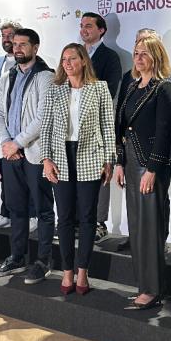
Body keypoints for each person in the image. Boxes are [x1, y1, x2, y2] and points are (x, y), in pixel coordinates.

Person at [40, 43, 116, 295]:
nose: (67, 63)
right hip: (61, 158)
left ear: (83, 61)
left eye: (72, 58)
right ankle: (67, 271)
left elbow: (108, 126)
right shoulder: (54, 90)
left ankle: (83, 271)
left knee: (87, 219)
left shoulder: (100, 88)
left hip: (90, 158)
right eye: (64, 59)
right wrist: (46, 160)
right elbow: (46, 128)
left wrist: (109, 159)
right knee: (64, 218)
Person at [0, 28, 56, 284]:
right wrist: (6, 142)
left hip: (35, 154)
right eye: (14, 44)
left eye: (23, 44)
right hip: (10, 154)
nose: (17, 48)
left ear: (35, 47)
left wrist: (16, 143)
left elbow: (42, 118)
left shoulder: (46, 77)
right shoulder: (7, 75)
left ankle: (43, 261)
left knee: (43, 210)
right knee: (16, 209)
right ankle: (17, 257)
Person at [114, 35, 171, 309]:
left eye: (144, 54)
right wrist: (118, 163)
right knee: (137, 228)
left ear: (156, 57)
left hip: (150, 166)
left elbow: (165, 132)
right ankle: (143, 285)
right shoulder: (130, 87)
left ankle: (152, 290)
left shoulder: (163, 88)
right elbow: (120, 128)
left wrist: (152, 168)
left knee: (151, 230)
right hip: (129, 163)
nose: (138, 58)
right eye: (136, 53)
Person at [80, 12, 122, 242]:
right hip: (73, 126)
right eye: (81, 25)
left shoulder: (110, 57)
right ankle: (79, 220)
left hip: (98, 125)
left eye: (88, 26)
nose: (84, 30)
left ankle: (99, 222)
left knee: (100, 175)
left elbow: (110, 90)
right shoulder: (73, 55)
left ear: (102, 30)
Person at [0, 21, 21, 232]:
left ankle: (30, 214)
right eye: (3, 36)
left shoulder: (26, 62)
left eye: (10, 35)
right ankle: (5, 213)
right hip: (0, 130)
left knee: (24, 176)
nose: (6, 39)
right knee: (4, 174)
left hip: (21, 130)